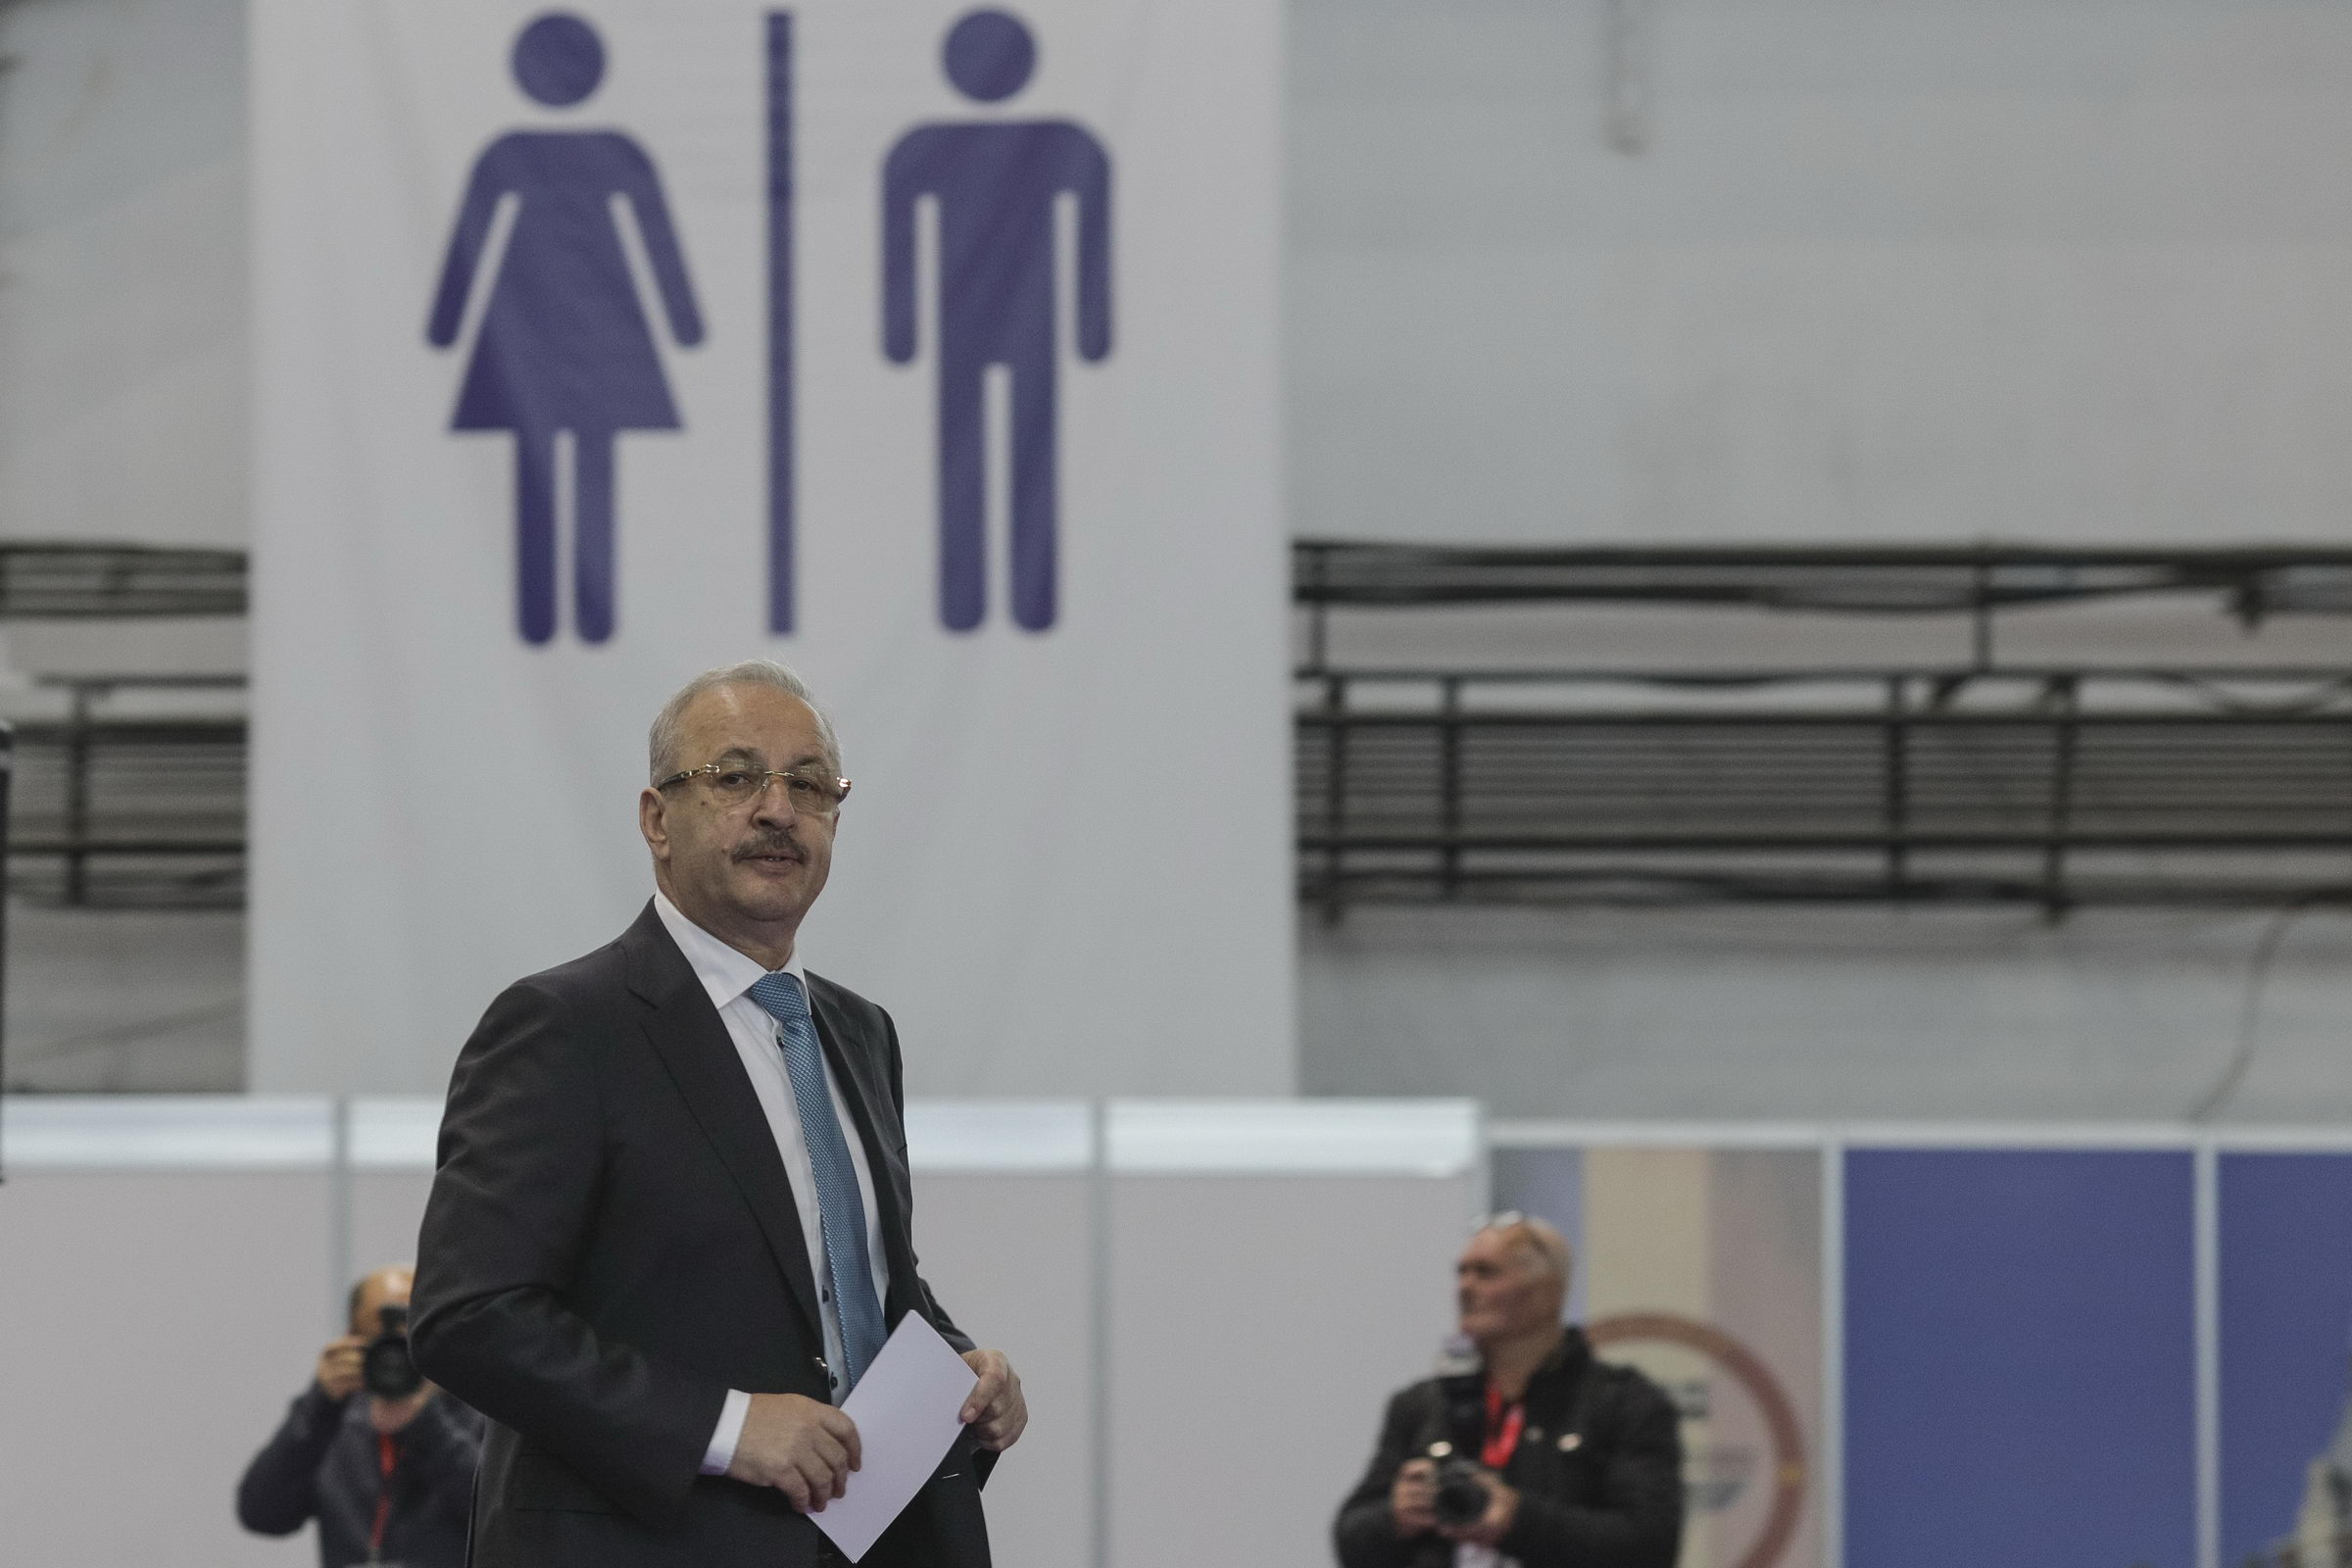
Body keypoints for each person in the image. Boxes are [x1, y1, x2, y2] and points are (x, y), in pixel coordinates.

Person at [411, 661, 1026, 1568]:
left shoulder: (859, 1032)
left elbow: (847, 1287)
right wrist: (727, 1428)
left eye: (809, 784)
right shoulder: (567, 1026)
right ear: (658, 819)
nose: (778, 810)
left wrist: (959, 1368)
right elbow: (469, 1316)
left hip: (878, 1539)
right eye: (735, 777)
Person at [1334, 1215, 1684, 1568]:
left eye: (1486, 1272)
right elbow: (1350, 1539)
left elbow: (1650, 1546)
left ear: (1549, 1291)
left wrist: (1518, 1520)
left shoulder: (1621, 1402)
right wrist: (1394, 1516)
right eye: (1461, 1272)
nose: (1465, 1286)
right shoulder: (1423, 1405)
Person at [236, 1265, 485, 1568]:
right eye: (383, 1331)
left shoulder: (482, 1409)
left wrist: (427, 1425)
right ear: (352, 1338)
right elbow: (263, 1514)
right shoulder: (332, 1420)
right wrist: (321, 1405)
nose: (400, 1346)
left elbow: (493, 1514)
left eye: (413, 1325)